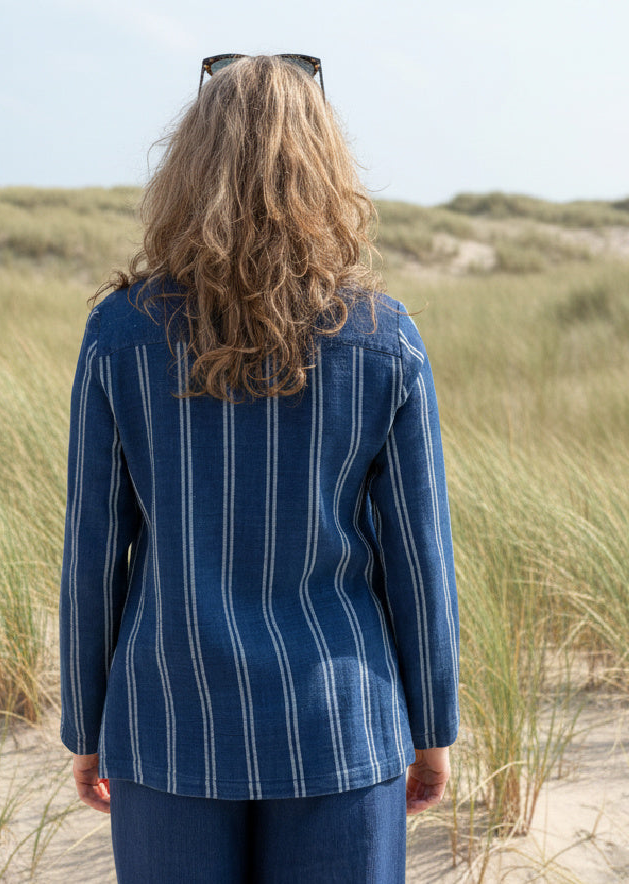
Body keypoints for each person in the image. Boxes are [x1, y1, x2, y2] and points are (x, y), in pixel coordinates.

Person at [59, 53, 459, 884]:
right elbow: (419, 561)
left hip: (167, 721)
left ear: (188, 166)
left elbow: (92, 553)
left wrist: (86, 727)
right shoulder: (384, 338)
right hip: (341, 728)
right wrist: (433, 728)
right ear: (325, 167)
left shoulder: (120, 335)